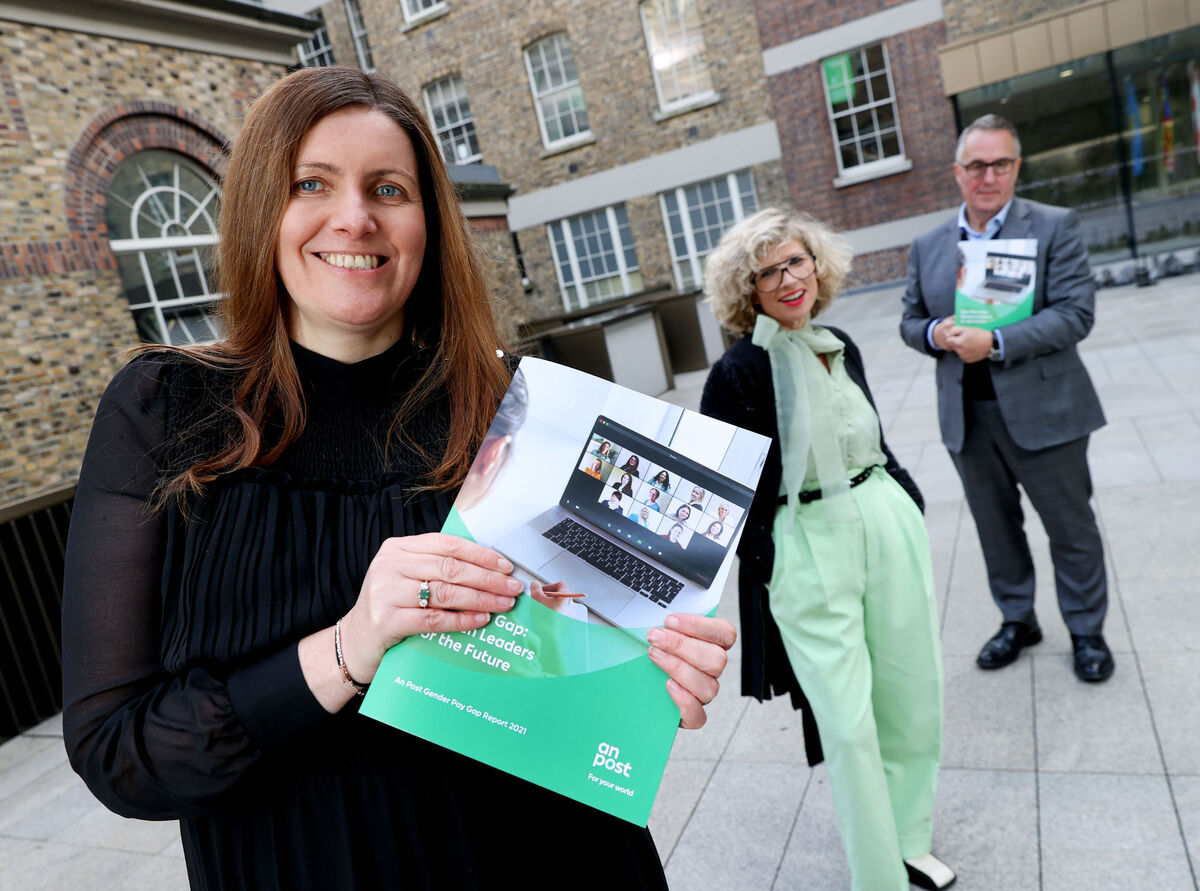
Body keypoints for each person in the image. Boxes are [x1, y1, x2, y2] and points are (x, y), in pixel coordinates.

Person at [60, 66, 736, 891]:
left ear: (429, 223)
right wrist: (353, 643)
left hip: (548, 858)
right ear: (261, 209)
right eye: (312, 183)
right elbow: (119, 754)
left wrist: (654, 666)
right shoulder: (164, 409)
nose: (356, 217)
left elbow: (584, 655)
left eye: (389, 189)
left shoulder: (518, 408)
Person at [700, 208, 954, 891]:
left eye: (796, 261)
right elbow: (722, 493)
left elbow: (870, 436)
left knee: (912, 694)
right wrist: (772, 560)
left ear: (817, 265)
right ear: (748, 289)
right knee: (847, 724)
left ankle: (910, 839)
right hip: (806, 540)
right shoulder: (739, 370)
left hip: (882, 520)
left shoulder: (838, 342)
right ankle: (878, 875)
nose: (788, 280)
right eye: (768, 271)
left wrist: (905, 496)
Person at [900, 114, 1112, 683]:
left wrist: (995, 342)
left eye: (999, 164)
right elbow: (910, 320)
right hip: (967, 418)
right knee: (996, 529)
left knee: (1070, 527)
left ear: (1016, 167)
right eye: (976, 165)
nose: (987, 176)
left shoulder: (1054, 226)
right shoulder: (928, 245)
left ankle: (1086, 631)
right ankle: (1018, 619)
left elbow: (1075, 313)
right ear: (957, 172)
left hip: (1047, 411)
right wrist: (935, 333)